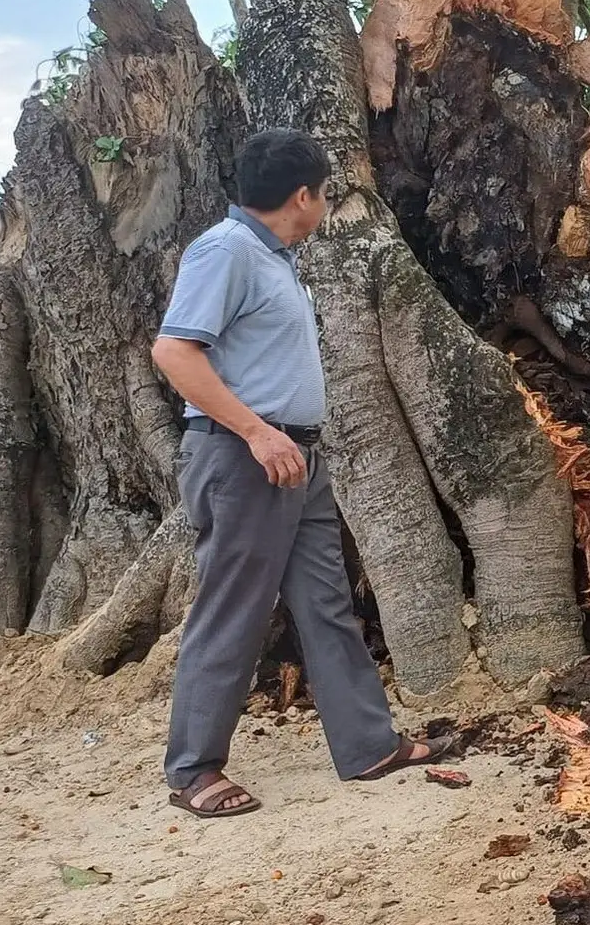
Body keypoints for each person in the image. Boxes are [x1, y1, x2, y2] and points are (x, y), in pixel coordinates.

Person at [151, 127, 457, 818]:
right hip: (246, 457)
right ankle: (193, 770)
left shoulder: (273, 257)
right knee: (233, 607)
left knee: (325, 601)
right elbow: (174, 352)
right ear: (302, 196)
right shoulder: (225, 251)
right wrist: (257, 433)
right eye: (323, 193)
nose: (323, 205)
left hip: (296, 458)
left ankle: (367, 744)